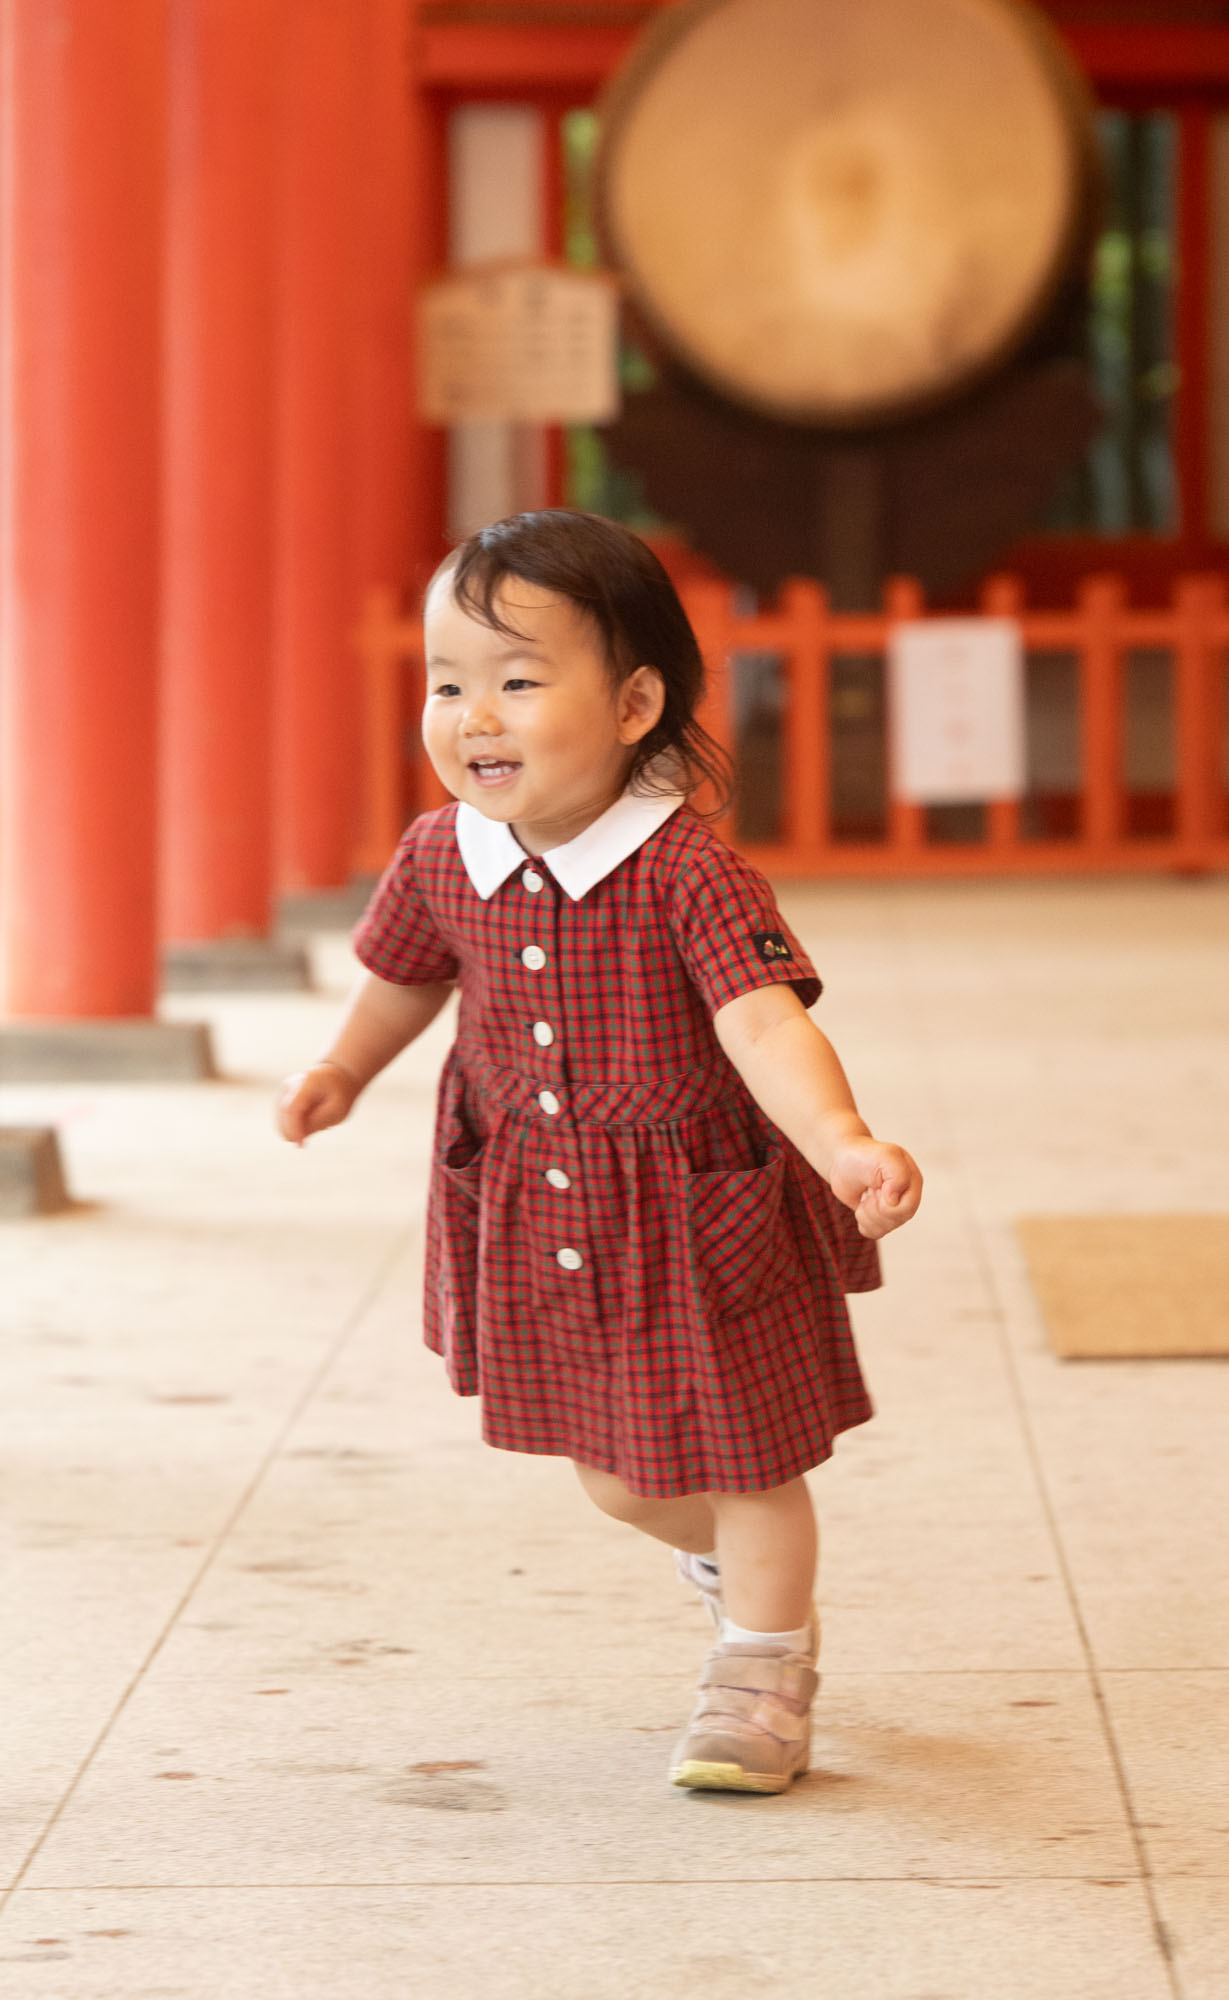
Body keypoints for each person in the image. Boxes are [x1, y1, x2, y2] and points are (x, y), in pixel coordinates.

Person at [277, 510, 922, 1795]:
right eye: (448, 683)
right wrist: (346, 1066)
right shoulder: (437, 853)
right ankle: (732, 1573)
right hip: (538, 1195)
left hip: (694, 1202)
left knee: (749, 1451)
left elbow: (759, 1017)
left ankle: (760, 1668)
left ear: (633, 704)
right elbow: (408, 978)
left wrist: (840, 1138)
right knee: (619, 1477)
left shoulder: (687, 872)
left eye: (518, 682)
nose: (476, 716)